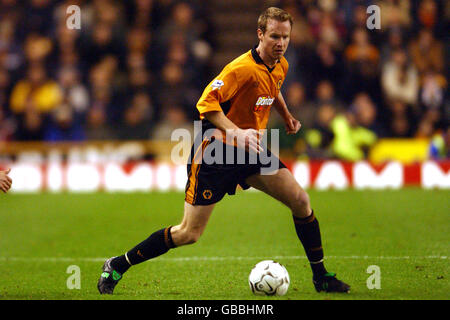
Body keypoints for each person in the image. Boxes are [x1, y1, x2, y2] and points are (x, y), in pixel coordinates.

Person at [97, 7, 350, 294]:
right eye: (274, 37)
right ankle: (118, 264)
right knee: (189, 233)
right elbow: (206, 104)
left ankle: (321, 277)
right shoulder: (239, 69)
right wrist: (236, 132)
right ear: (260, 34)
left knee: (301, 201)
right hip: (216, 154)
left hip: (251, 150)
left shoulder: (281, 64)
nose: (280, 43)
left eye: (286, 37)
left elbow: (273, 86)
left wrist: (287, 114)